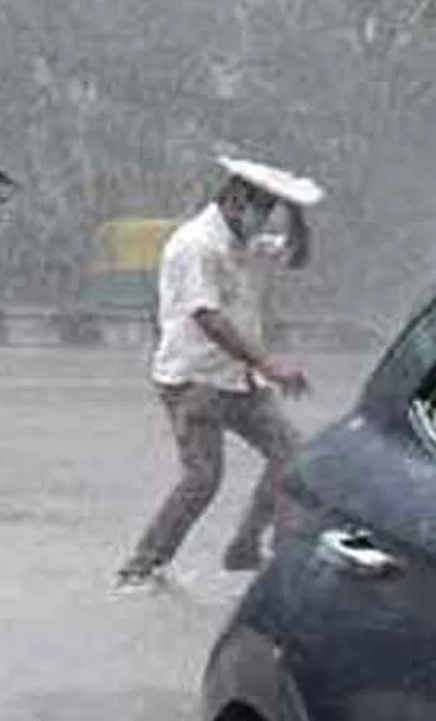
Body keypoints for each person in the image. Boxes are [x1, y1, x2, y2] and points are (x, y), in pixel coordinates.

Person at [114, 168, 313, 593]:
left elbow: (296, 256)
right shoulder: (197, 244)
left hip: (239, 379)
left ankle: (245, 546)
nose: (263, 225)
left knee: (293, 456)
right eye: (260, 213)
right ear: (235, 203)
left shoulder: (246, 242)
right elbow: (209, 318)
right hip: (193, 379)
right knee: (203, 477)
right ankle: (140, 567)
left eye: (269, 215)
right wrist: (270, 366)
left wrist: (296, 209)